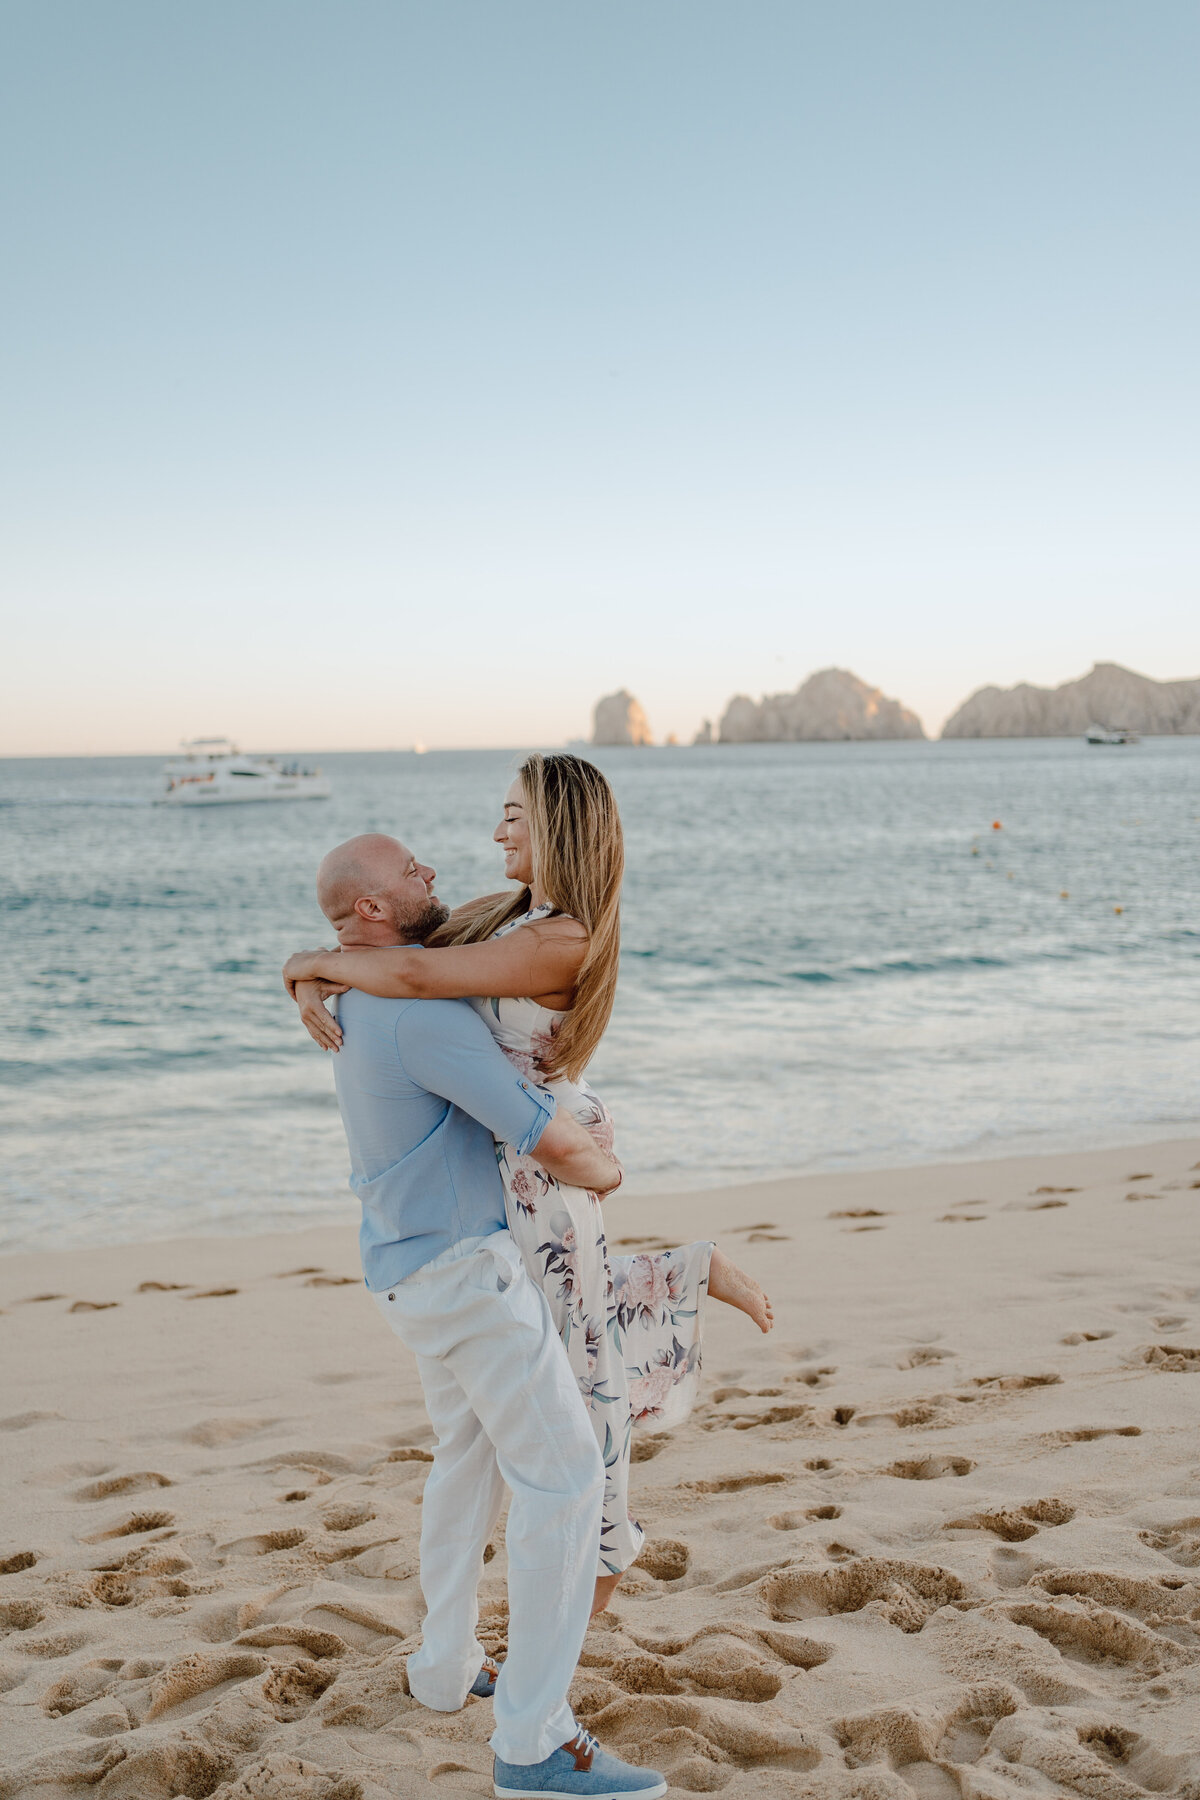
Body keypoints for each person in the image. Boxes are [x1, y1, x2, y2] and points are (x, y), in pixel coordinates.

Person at [286, 755, 773, 1626]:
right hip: (515, 1159)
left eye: (514, 815)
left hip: (545, 1157)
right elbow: (395, 957)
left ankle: (594, 1581)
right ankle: (689, 1273)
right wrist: (313, 976)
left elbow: (412, 979)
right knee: (569, 1327)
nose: (497, 832)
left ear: (558, 827)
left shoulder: (561, 937)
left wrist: (306, 962)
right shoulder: (510, 917)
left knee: (583, 1371)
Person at [310, 831, 667, 1800]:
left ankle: (441, 1663)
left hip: (403, 1267)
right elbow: (538, 1132)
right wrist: (613, 1168)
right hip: (467, 1275)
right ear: (373, 911)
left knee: (466, 1456)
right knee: (565, 1479)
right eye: (410, 871)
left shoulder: (365, 992)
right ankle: (533, 1739)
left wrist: (304, 969)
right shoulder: (411, 1010)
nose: (432, 871)